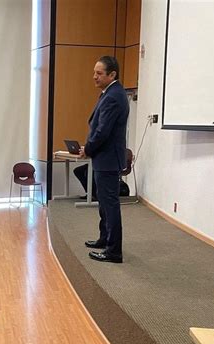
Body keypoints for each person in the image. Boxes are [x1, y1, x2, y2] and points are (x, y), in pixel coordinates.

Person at [80, 56, 129, 263]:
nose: (94, 77)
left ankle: (114, 251)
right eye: (94, 72)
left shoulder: (113, 96)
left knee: (110, 205)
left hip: (108, 159)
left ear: (112, 74)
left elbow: (102, 132)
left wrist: (88, 149)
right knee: (104, 204)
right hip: (105, 158)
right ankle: (104, 238)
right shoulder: (110, 93)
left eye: (99, 73)